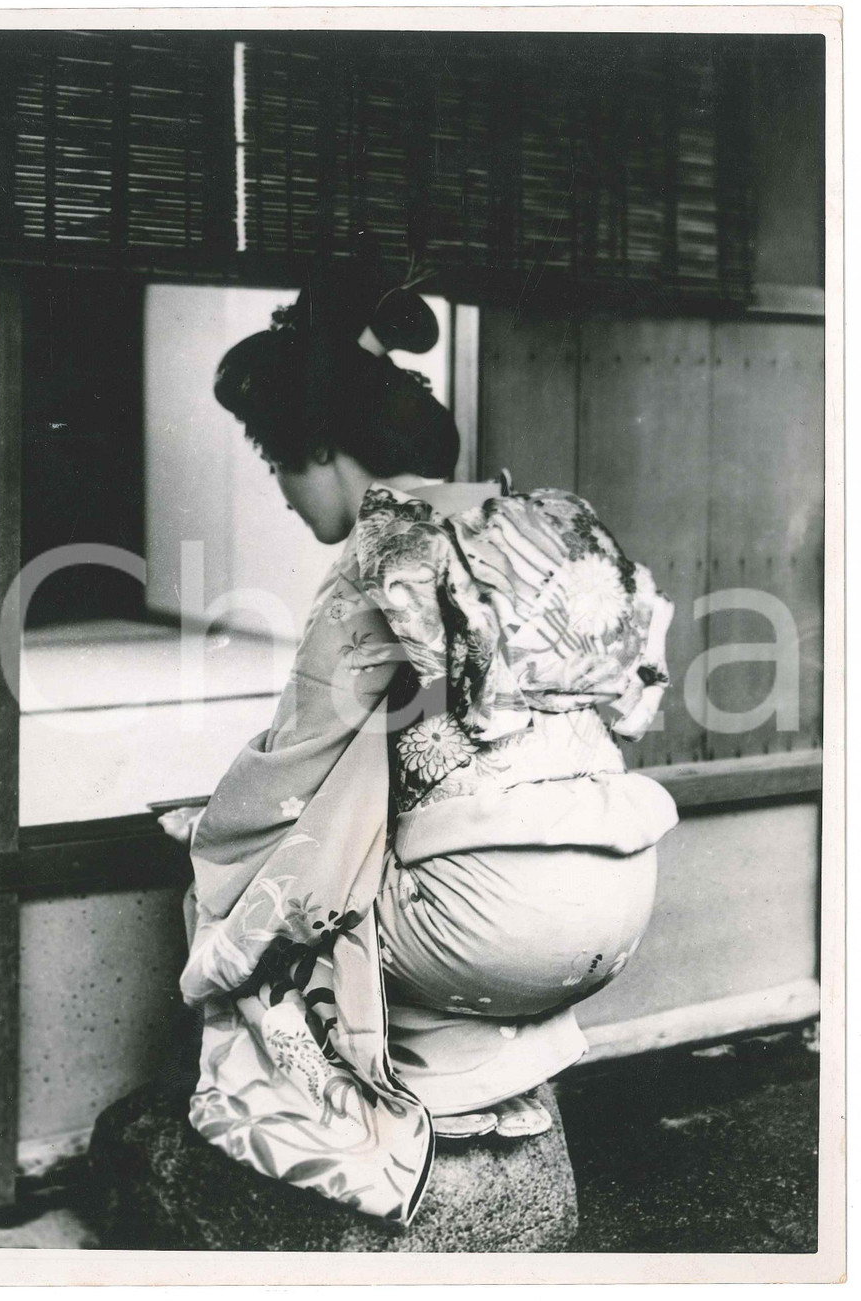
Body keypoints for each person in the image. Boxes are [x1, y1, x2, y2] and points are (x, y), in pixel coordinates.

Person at [160, 261, 678, 1225]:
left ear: (320, 448)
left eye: (276, 464)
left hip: (482, 927)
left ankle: (366, 1113)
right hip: (622, 897)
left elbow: (292, 764)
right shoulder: (533, 525)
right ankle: (492, 1102)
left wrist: (204, 833)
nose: (281, 493)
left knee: (253, 907)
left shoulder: (385, 554)